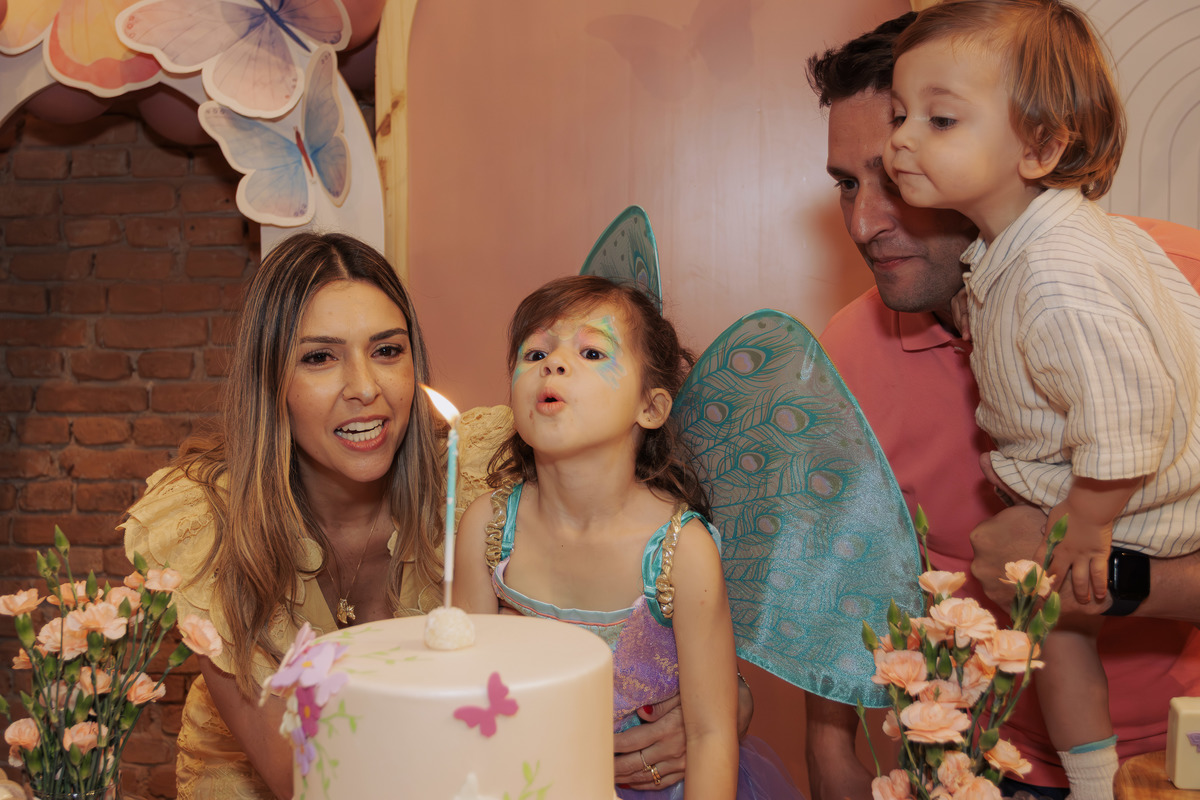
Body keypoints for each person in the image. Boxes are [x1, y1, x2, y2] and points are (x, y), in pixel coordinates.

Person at [119, 234, 672, 800]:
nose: (365, 389)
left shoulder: (478, 475)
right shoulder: (208, 524)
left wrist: (688, 710)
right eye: (319, 357)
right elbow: (305, 780)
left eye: (387, 351)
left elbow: (627, 559)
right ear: (270, 381)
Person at [806, 12, 1200, 800]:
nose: (865, 223)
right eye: (849, 183)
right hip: (977, 764)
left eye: (896, 176)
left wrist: (1091, 571)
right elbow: (841, 565)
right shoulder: (846, 353)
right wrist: (830, 742)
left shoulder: (1166, 276)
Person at [454, 275, 800, 799]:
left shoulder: (682, 550)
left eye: (591, 352)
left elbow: (710, 734)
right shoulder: (487, 526)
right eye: (535, 353)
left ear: (651, 408)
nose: (553, 364)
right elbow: (465, 692)